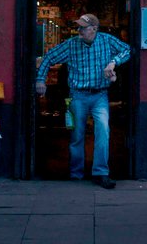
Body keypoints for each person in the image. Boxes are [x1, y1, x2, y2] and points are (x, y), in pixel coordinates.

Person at [35, 13, 130, 189]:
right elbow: (48, 57)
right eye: (78, 27)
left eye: (83, 27)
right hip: (77, 95)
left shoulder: (107, 40)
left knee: (103, 132)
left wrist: (113, 63)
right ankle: (75, 174)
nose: (79, 30)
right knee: (76, 135)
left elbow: (128, 50)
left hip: (100, 94)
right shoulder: (72, 44)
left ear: (94, 28)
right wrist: (40, 80)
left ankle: (101, 173)